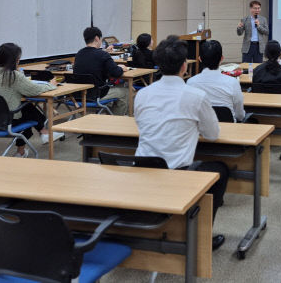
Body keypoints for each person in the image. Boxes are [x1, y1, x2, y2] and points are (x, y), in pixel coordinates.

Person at [134, 36, 228, 250]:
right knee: (220, 169)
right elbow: (213, 135)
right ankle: (202, 235)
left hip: (142, 169)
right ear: (185, 66)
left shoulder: (142, 94)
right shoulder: (196, 95)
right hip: (178, 173)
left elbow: (141, 125)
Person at [0, 43, 62, 157]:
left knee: (25, 108)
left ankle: (24, 150)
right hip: (4, 122)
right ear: (15, 60)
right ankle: (43, 133)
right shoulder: (13, 75)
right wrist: (51, 85)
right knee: (27, 110)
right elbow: (34, 90)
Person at [73, 26, 129, 115]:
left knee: (111, 91)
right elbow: (116, 72)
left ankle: (107, 115)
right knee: (125, 92)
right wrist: (121, 68)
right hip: (96, 94)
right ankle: (115, 119)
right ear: (97, 38)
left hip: (79, 94)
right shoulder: (103, 54)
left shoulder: (79, 54)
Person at [187, 40, 246, 122]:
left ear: (200, 59)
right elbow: (240, 115)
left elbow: (189, 112)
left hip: (201, 128)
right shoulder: (233, 83)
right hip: (229, 128)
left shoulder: (190, 83)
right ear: (222, 58)